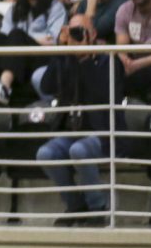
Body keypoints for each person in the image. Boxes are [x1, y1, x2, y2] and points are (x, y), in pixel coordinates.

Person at [36, 12, 122, 226]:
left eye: (79, 31)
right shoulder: (66, 59)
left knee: (79, 151)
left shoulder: (108, 59)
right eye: (71, 32)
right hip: (72, 131)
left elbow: (103, 94)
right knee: (45, 154)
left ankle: (97, 208)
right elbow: (46, 86)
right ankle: (75, 206)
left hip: (104, 133)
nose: (75, 36)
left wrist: (85, 59)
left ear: (93, 34)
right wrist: (60, 50)